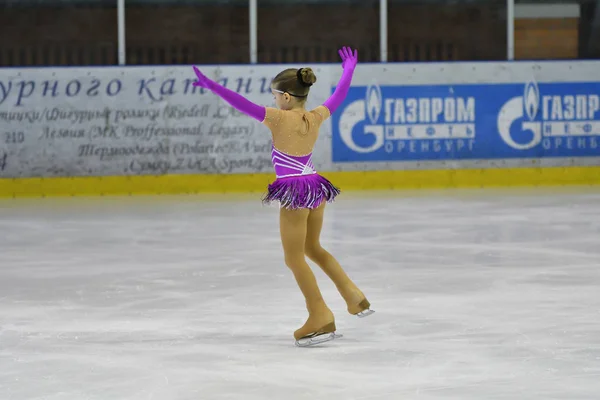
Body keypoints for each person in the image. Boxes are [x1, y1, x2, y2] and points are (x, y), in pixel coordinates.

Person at [192, 47, 374, 347]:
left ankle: (319, 314)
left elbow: (242, 104)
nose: (273, 101)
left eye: (275, 96)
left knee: (293, 258)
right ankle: (354, 296)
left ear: (286, 97)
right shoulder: (315, 116)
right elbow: (338, 98)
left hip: (294, 192)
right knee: (313, 248)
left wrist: (213, 86)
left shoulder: (277, 118)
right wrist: (349, 71)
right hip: (315, 187)